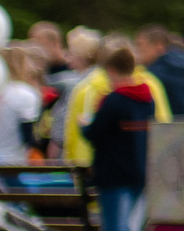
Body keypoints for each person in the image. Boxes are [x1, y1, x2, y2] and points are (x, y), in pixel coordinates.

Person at [61, 31, 170, 166]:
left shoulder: (86, 88)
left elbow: (72, 132)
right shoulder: (149, 86)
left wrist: (71, 161)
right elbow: (163, 124)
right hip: (141, 164)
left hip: (93, 166)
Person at [81, 45, 157, 231]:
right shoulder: (147, 99)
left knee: (115, 230)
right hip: (139, 169)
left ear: (111, 70)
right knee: (133, 226)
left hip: (113, 172)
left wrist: (84, 125)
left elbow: (95, 133)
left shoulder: (114, 100)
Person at [137, 24, 184, 117]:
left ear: (159, 45)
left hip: (175, 128)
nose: (137, 53)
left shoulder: (153, 74)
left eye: (140, 46)